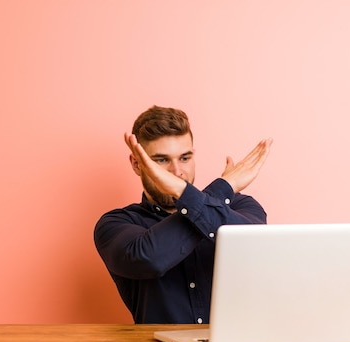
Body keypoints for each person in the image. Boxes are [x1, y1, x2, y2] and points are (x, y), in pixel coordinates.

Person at [93, 105, 273, 324]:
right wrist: (222, 188)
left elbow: (257, 246)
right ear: (136, 164)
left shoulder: (238, 205)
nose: (177, 172)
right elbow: (150, 259)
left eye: (185, 158)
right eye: (161, 160)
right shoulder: (115, 224)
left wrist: (185, 194)